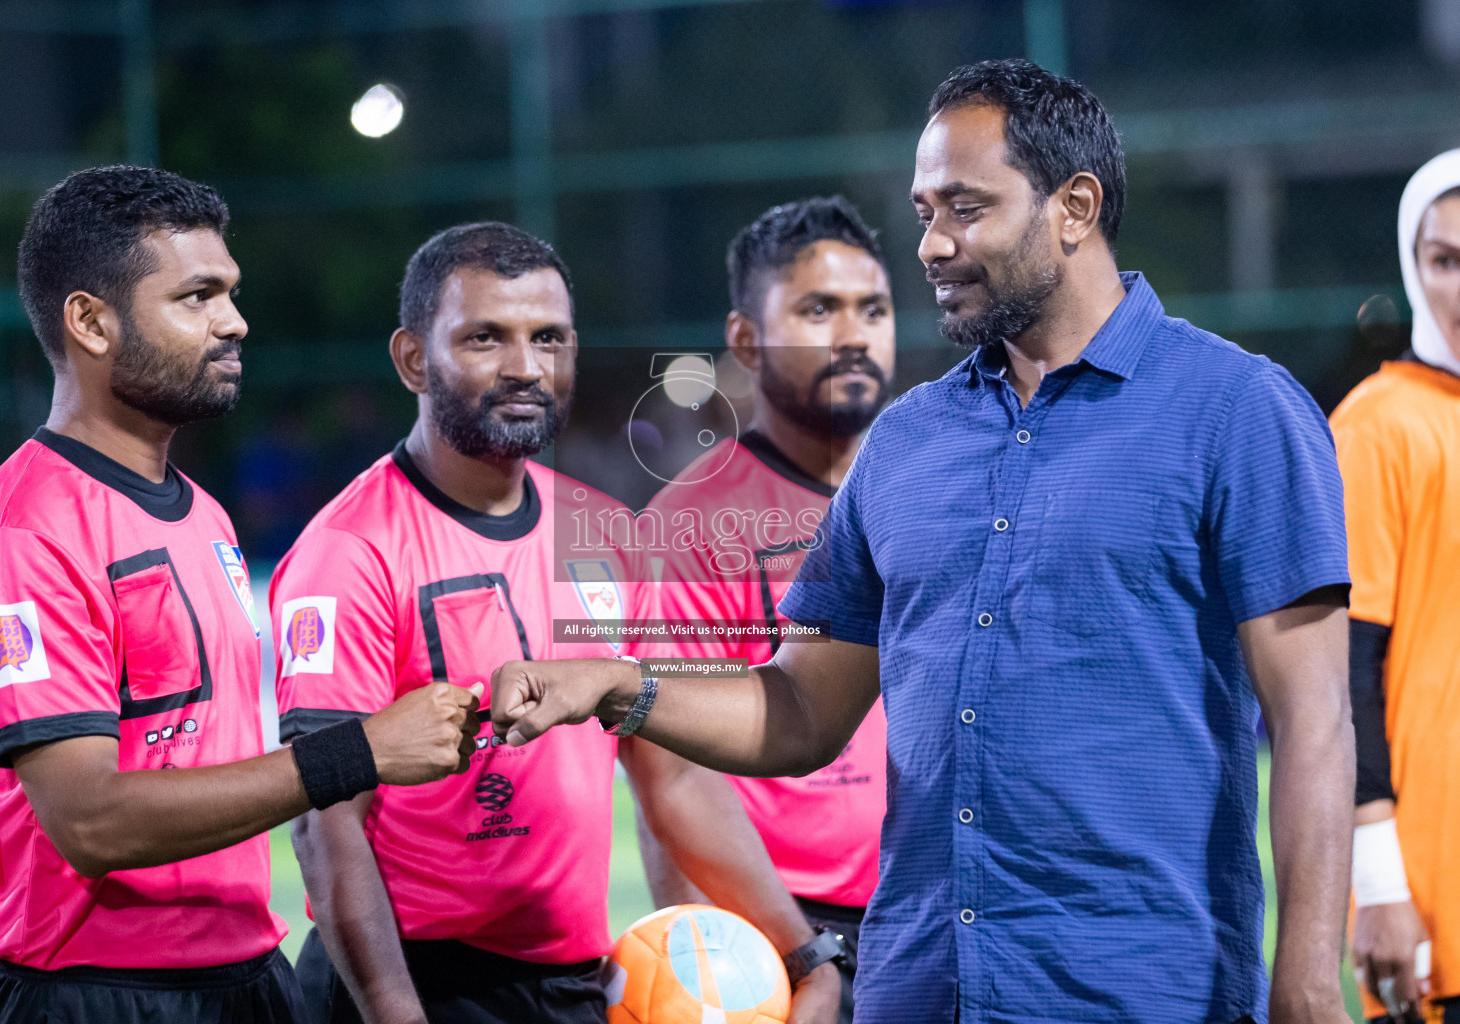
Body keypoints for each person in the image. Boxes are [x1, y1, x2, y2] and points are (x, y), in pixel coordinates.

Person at [490, 59, 1356, 1024]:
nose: (934, 245)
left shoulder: (1238, 411)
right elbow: (803, 710)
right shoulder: (905, 441)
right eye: (924, 212)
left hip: (1143, 992)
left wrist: (1309, 983)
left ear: (1074, 207)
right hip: (919, 991)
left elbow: (1314, 723)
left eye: (965, 208)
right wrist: (624, 687)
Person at [0, 166, 481, 1024]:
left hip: (243, 977)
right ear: (89, 321)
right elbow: (90, 822)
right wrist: (358, 753)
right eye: (196, 296)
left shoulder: (204, 515)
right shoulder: (26, 528)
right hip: (94, 996)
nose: (234, 322)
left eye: (229, 292)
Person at [273, 221, 840, 1024]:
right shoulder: (349, 551)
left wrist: (804, 956)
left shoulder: (606, 532)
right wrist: (396, 1014)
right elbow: (326, 821)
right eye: (485, 338)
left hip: (568, 982)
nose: (525, 367)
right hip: (407, 980)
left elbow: (673, 776)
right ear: (411, 359)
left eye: (548, 338)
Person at [634, 195, 894, 1023]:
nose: (853, 333)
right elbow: (670, 773)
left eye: (874, 309)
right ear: (746, 340)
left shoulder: (927, 491)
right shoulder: (689, 524)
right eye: (818, 309)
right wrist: (776, 958)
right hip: (782, 936)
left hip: (931, 915)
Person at [1332, 149, 1460, 1024]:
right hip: (1437, 913)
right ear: (1414, 267)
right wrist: (1376, 885)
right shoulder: (1378, 426)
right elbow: (1342, 675)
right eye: (1446, 258)